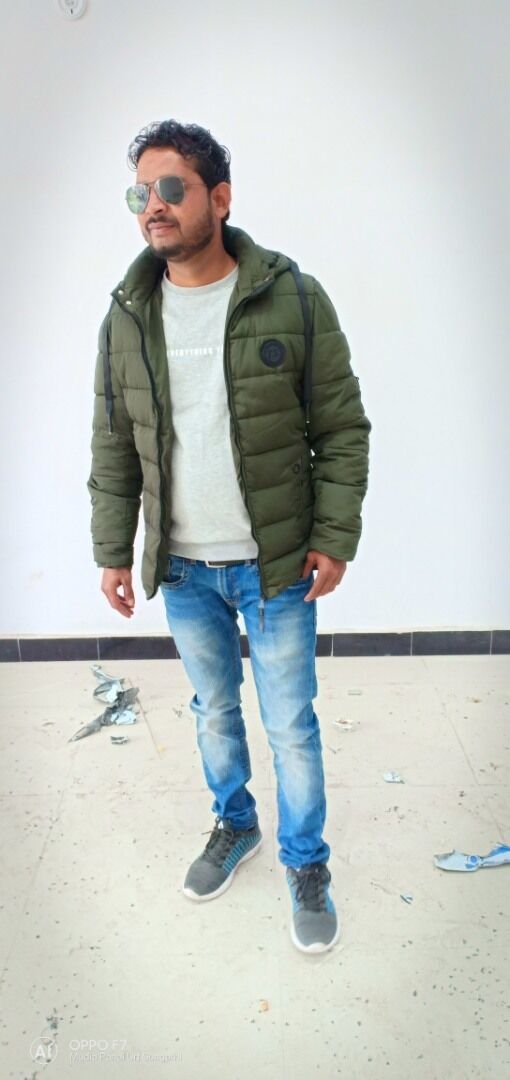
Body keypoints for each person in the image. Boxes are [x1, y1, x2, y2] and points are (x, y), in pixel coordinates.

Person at [87, 119, 371, 955]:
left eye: (171, 188)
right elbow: (113, 442)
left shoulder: (294, 296)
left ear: (220, 197)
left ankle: (306, 862)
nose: (153, 206)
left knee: (291, 725)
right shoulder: (127, 313)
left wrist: (334, 535)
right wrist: (113, 550)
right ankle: (235, 822)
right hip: (182, 568)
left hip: (274, 564)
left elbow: (342, 429)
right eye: (141, 192)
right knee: (213, 711)